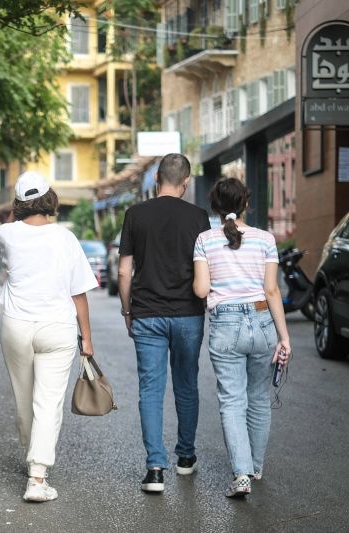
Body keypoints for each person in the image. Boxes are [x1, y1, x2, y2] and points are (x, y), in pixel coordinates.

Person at [0, 171, 99, 502]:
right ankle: (38, 478)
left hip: (17, 324)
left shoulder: (5, 233)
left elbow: (6, 266)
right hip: (58, 326)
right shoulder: (66, 238)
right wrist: (88, 339)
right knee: (48, 403)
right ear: (51, 199)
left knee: (24, 400)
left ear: (19, 203)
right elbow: (78, 293)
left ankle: (32, 460)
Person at [117, 153, 211, 493]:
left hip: (148, 314)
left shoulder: (135, 214)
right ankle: (185, 458)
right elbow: (205, 269)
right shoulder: (199, 217)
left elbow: (125, 271)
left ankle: (155, 469)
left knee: (150, 390)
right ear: (185, 182)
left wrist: (128, 311)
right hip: (188, 315)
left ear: (157, 177)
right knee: (186, 385)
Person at [193, 177, 290, 498]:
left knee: (232, 401)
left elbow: (202, 290)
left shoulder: (205, 240)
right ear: (245, 204)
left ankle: (242, 475)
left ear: (216, 208)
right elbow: (272, 290)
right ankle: (256, 467)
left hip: (225, 325)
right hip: (262, 321)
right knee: (259, 398)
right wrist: (283, 338)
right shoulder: (265, 239)